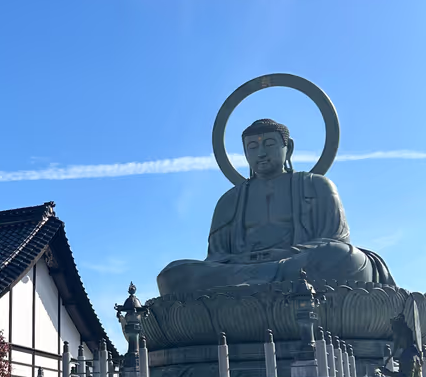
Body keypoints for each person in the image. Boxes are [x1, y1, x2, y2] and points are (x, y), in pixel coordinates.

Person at [157, 118, 393, 296]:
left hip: (298, 266)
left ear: (287, 148)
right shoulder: (230, 199)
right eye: (251, 147)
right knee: (174, 273)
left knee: (344, 258)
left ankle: (249, 293)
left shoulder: (317, 186)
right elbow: (216, 256)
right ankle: (257, 289)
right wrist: (247, 262)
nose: (261, 153)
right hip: (241, 270)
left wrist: (285, 254)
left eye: (269, 144)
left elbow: (335, 242)